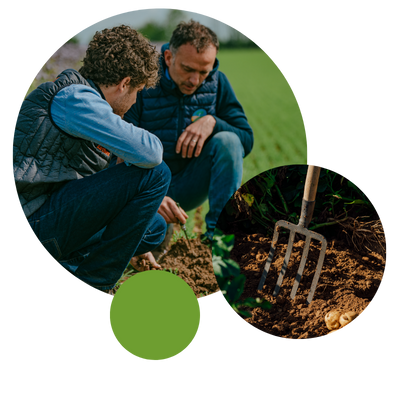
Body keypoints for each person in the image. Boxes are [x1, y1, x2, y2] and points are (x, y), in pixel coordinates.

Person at [10, 25, 171, 297]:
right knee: (157, 174)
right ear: (124, 84)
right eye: (137, 91)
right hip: (33, 221)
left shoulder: (83, 102)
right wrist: (123, 138)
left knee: (154, 228)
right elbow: (152, 153)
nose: (134, 101)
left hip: (50, 215)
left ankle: (73, 262)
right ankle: (95, 283)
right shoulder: (75, 98)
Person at [123, 19, 254, 247]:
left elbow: (246, 139)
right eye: (187, 69)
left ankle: (218, 239)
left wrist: (213, 122)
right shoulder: (141, 82)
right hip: (145, 186)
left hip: (189, 183)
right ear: (168, 58)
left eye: (204, 71)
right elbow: (120, 147)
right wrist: (150, 194)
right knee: (147, 245)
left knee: (229, 141)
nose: (195, 80)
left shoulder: (218, 84)